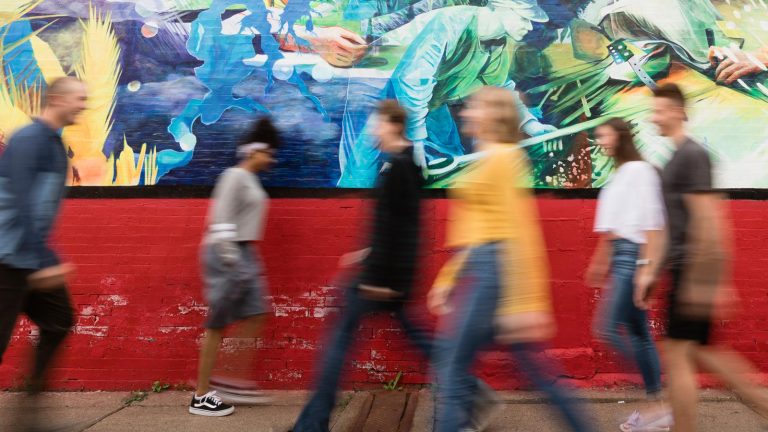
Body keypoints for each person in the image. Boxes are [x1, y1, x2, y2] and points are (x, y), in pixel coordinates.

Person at [427, 86, 591, 432]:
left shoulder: (502, 158)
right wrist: (448, 279)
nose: (467, 112)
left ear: (494, 116)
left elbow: (519, 233)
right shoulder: (488, 155)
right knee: (533, 370)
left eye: (476, 107)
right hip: (482, 264)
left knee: (451, 361)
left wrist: (525, 305)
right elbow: (475, 225)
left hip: (494, 269)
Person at [338, 0, 560, 187]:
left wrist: (532, 125)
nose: (530, 27)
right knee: (364, 162)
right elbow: (412, 78)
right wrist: (416, 143)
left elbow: (501, 87)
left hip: (427, 97)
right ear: (499, 7)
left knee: (450, 157)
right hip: (378, 84)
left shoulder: (497, 43)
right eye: (524, 18)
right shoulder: (452, 22)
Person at [649, 83, 768, 432]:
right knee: (703, 352)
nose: (653, 117)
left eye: (658, 110)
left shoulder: (692, 155)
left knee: (678, 356)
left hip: (691, 271)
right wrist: (656, 270)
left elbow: (708, 220)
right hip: (683, 269)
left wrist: (707, 284)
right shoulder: (676, 157)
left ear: (676, 111)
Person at [0, 76, 86, 428]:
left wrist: (43, 259)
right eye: (78, 98)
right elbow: (20, 202)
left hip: (30, 258)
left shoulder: (53, 145)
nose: (83, 104)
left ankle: (27, 413)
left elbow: (38, 209)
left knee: (59, 320)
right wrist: (43, 261)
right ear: (56, 99)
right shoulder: (29, 140)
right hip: (7, 259)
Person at [189, 117, 281, 417]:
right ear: (253, 152)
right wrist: (232, 261)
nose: (271, 159)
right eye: (268, 153)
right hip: (225, 253)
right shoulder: (233, 176)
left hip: (245, 252)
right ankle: (201, 395)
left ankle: (231, 380)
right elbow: (221, 221)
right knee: (217, 323)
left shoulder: (251, 180)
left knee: (257, 313)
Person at [585, 118, 670, 430]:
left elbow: (653, 223)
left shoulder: (640, 171)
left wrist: (646, 270)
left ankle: (657, 402)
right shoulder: (619, 174)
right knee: (639, 335)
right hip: (621, 255)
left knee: (606, 330)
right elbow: (610, 232)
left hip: (633, 258)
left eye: (604, 136)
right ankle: (656, 406)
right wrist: (598, 262)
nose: (600, 142)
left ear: (620, 136)